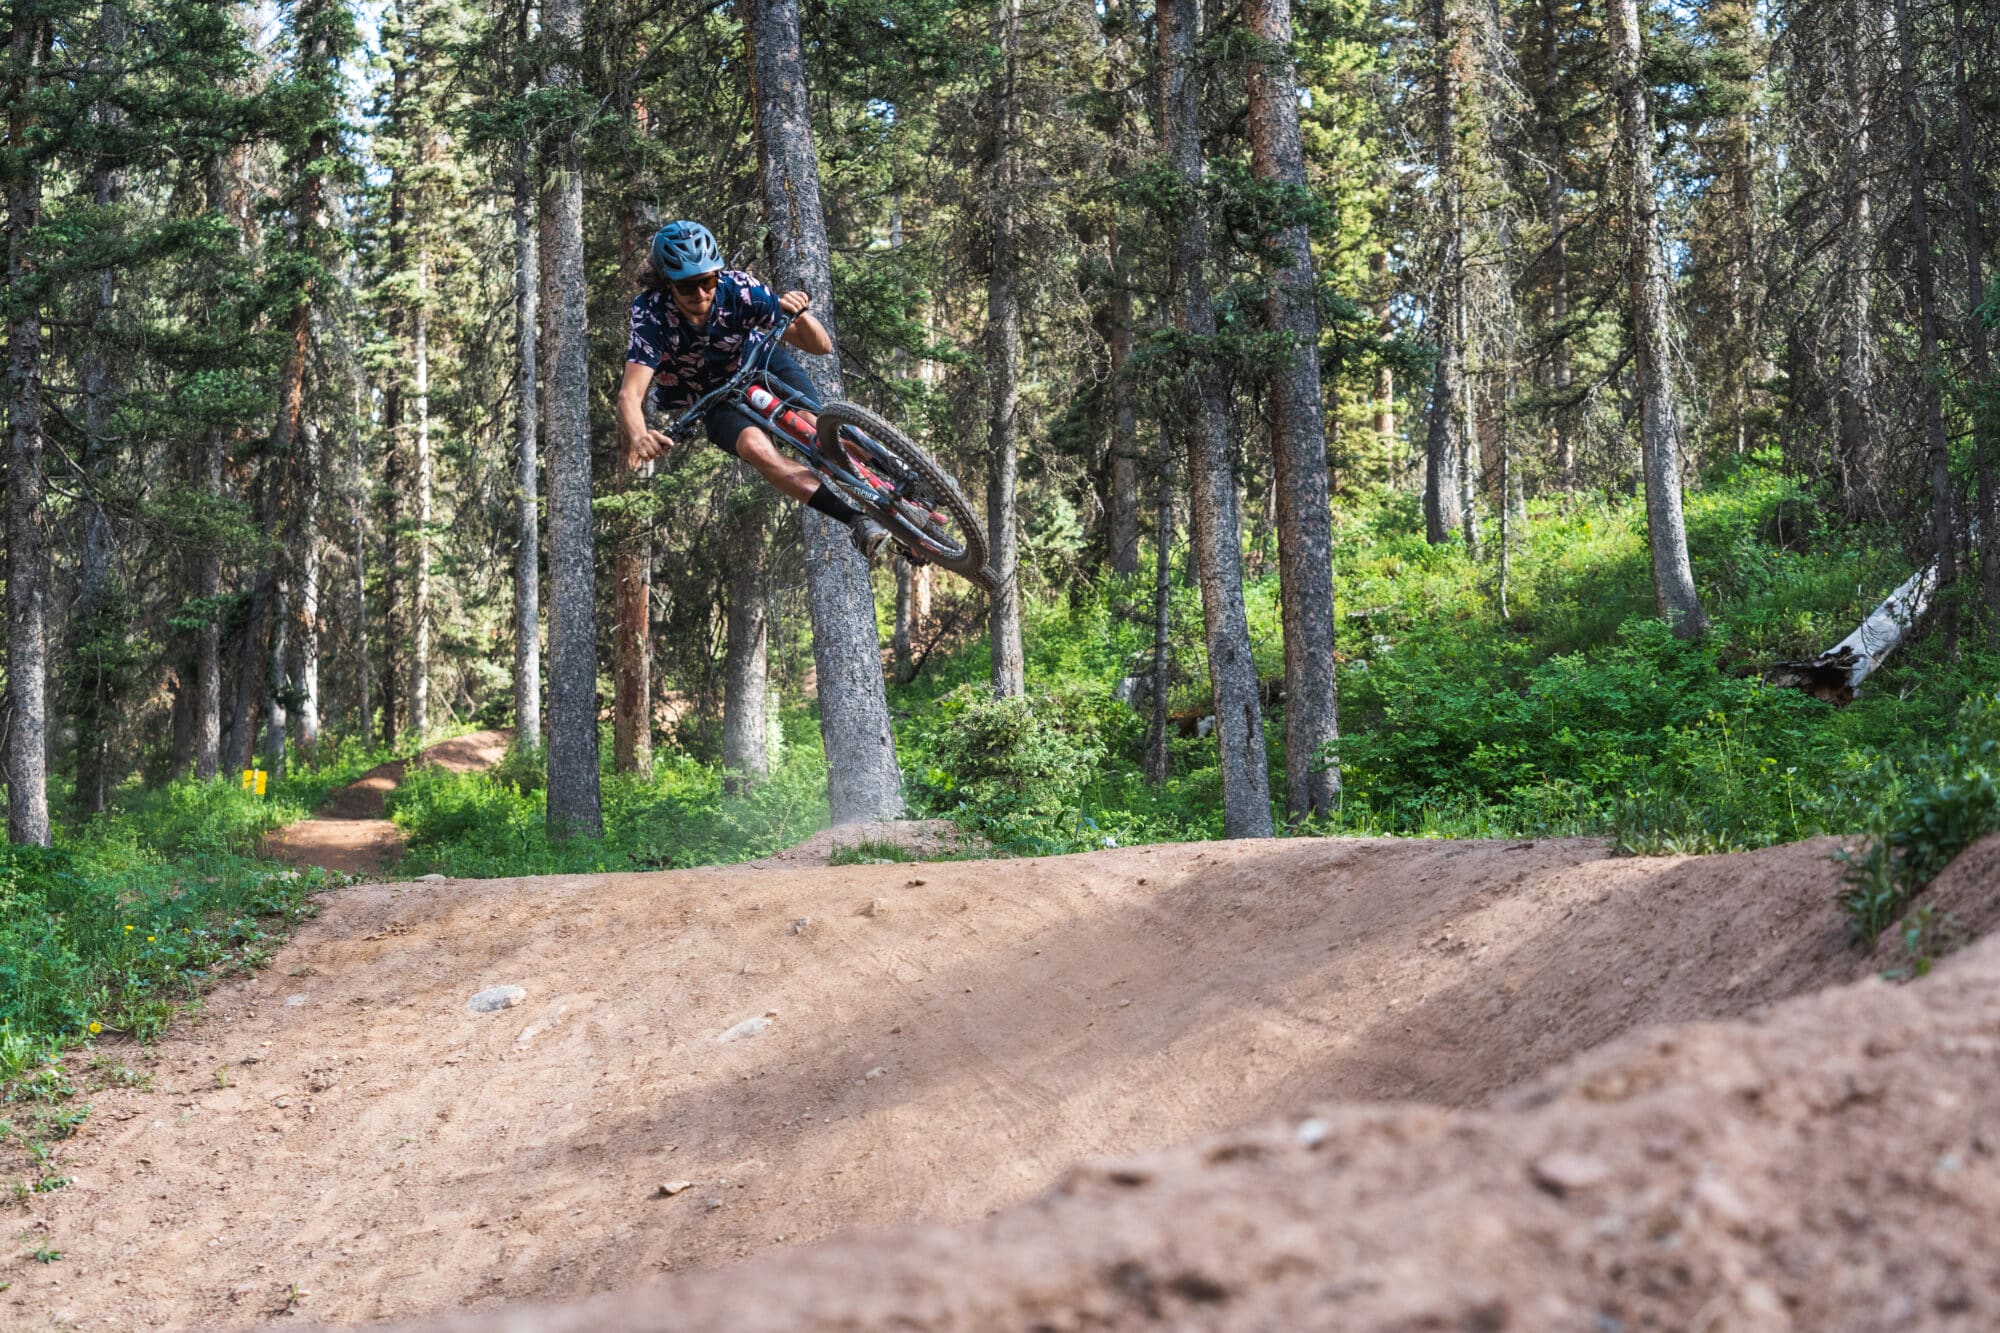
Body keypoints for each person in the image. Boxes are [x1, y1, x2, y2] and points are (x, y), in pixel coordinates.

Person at [616, 219, 890, 562]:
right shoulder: (651, 312)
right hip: (709, 396)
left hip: (759, 362)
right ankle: (857, 521)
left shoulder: (740, 289)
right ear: (667, 284)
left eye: (707, 280)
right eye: (688, 287)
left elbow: (820, 347)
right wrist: (639, 435)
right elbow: (631, 393)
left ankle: (900, 471)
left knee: (815, 425)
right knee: (755, 448)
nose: (701, 293)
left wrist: (800, 316)